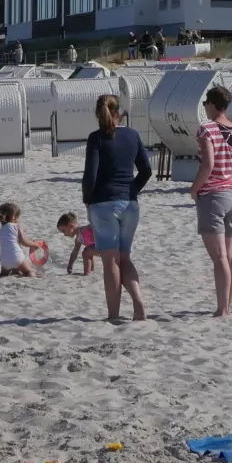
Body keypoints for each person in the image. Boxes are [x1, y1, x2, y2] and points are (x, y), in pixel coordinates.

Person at [81, 93, 151, 322]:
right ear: (119, 114)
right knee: (125, 258)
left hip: (103, 204)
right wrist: (133, 190)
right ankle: (138, 302)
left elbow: (90, 175)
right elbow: (146, 171)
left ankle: (113, 315)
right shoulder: (132, 135)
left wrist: (87, 199)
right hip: (130, 204)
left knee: (110, 261)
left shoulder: (96, 138)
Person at [191, 83, 232, 317]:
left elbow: (208, 164)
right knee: (230, 254)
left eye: (205, 104)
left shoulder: (207, 129)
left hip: (213, 194)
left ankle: (222, 308)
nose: (205, 108)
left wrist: (194, 189)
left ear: (213, 104)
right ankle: (229, 304)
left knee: (219, 257)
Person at [0, 202, 44, 278]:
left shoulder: (0, 231)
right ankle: (33, 280)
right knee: (29, 271)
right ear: (14, 216)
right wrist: (35, 244)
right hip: (16, 257)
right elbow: (24, 242)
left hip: (4, 260)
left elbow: (11, 243)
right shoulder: (16, 226)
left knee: (4, 274)